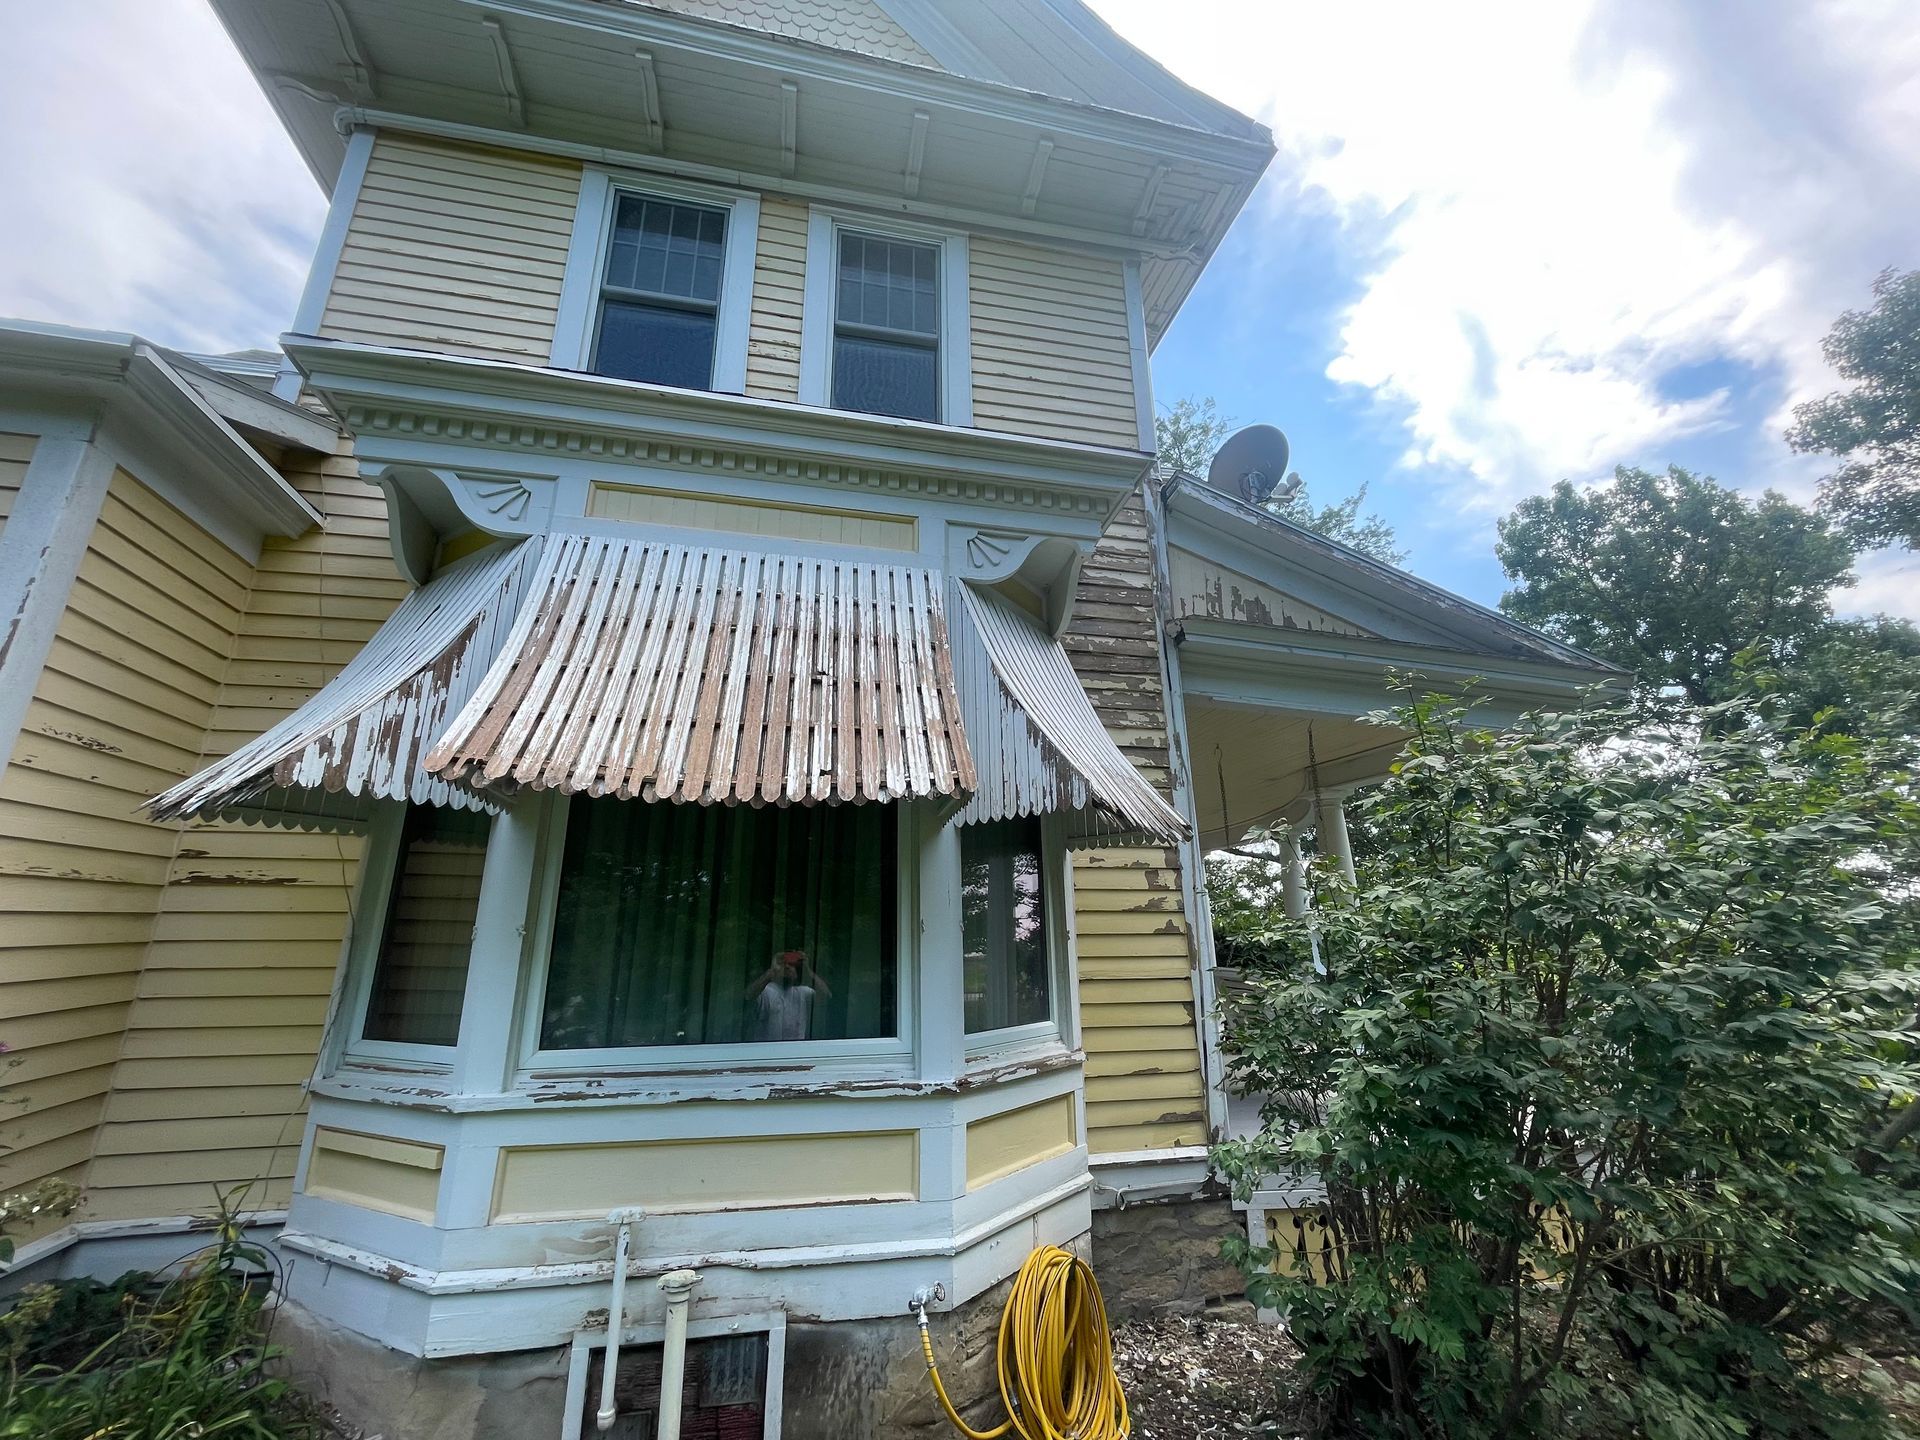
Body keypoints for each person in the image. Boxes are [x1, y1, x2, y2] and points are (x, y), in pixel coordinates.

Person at [747, 949, 831, 1042]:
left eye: (791, 965)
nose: (787, 967)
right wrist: (772, 971)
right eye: (783, 964)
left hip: (795, 1052)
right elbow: (748, 997)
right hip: (768, 1052)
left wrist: (807, 971)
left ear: (797, 972)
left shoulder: (802, 993)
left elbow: (826, 996)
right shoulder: (766, 991)